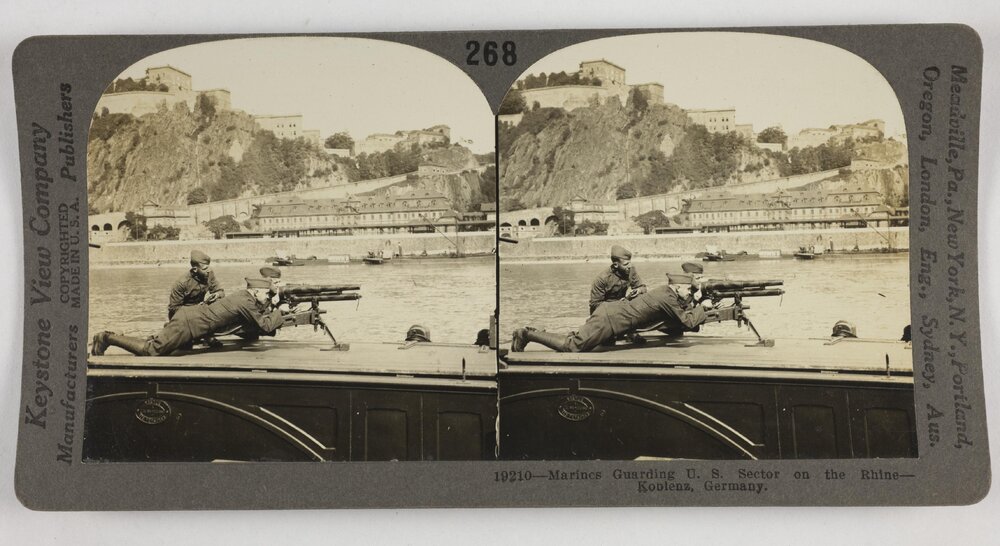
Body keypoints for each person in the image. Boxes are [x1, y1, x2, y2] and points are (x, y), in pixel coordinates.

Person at [512, 269, 712, 353]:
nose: (690, 291)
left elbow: (677, 315)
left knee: (577, 338)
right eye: (688, 289)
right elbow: (687, 321)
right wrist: (703, 307)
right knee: (573, 347)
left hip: (611, 315)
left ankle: (537, 333)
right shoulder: (666, 297)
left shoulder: (666, 292)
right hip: (610, 320)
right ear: (677, 287)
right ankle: (527, 334)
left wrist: (695, 302)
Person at [92, 278, 284, 357]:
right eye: (266, 293)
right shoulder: (246, 302)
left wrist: (273, 304)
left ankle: (119, 337)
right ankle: (107, 337)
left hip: (190, 319)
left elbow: (254, 317)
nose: (267, 296)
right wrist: (281, 311)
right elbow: (265, 326)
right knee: (152, 351)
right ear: (256, 291)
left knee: (160, 343)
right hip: (190, 325)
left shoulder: (244, 296)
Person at [589, 245, 646, 314]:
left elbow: (643, 288)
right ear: (616, 265)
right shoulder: (602, 279)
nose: (629, 266)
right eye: (626, 264)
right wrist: (617, 305)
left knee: (641, 297)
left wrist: (638, 290)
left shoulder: (631, 270)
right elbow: (594, 304)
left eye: (630, 263)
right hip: (606, 311)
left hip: (622, 305)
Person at [167, 250, 224, 319]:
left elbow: (220, 291)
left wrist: (217, 294)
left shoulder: (209, 274)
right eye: (205, 268)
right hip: (184, 317)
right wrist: (195, 309)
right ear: (195, 269)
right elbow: (173, 308)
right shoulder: (182, 283)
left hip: (200, 310)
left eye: (208, 267)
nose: (209, 270)